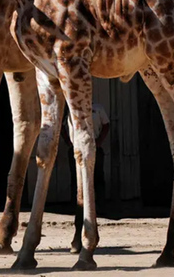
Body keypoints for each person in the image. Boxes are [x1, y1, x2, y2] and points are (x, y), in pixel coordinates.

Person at [63, 102, 110, 252]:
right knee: (77, 185)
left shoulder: (98, 107)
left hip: (94, 146)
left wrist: (99, 142)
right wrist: (69, 142)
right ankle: (78, 214)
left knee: (97, 179)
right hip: (77, 148)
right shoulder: (71, 107)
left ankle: (100, 207)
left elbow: (106, 125)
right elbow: (64, 126)